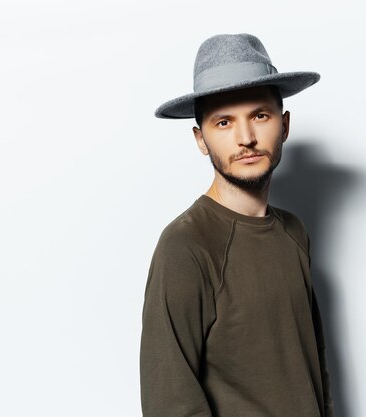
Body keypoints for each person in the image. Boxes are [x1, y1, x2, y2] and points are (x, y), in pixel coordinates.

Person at [140, 33, 333, 417]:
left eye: (259, 115)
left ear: (285, 124)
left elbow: (313, 370)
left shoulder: (294, 232)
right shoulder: (185, 245)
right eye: (224, 122)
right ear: (201, 139)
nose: (245, 138)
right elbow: (170, 403)